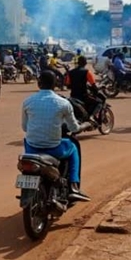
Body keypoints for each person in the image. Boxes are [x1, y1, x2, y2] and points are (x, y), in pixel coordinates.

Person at [22, 72, 90, 202]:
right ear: (55, 84)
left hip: (32, 149)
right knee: (73, 147)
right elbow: (74, 128)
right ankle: (73, 185)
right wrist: (85, 125)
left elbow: (25, 127)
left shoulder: (27, 102)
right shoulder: (63, 103)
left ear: (39, 83)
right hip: (54, 148)